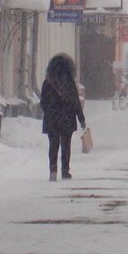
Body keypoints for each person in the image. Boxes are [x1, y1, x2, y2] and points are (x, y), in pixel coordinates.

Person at [40, 53, 85, 181]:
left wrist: (49, 111)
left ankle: (52, 169)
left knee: (53, 144)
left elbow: (43, 102)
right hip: (67, 118)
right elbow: (76, 102)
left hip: (52, 118)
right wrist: (81, 118)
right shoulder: (69, 83)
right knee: (66, 145)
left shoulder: (47, 83)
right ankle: (65, 170)